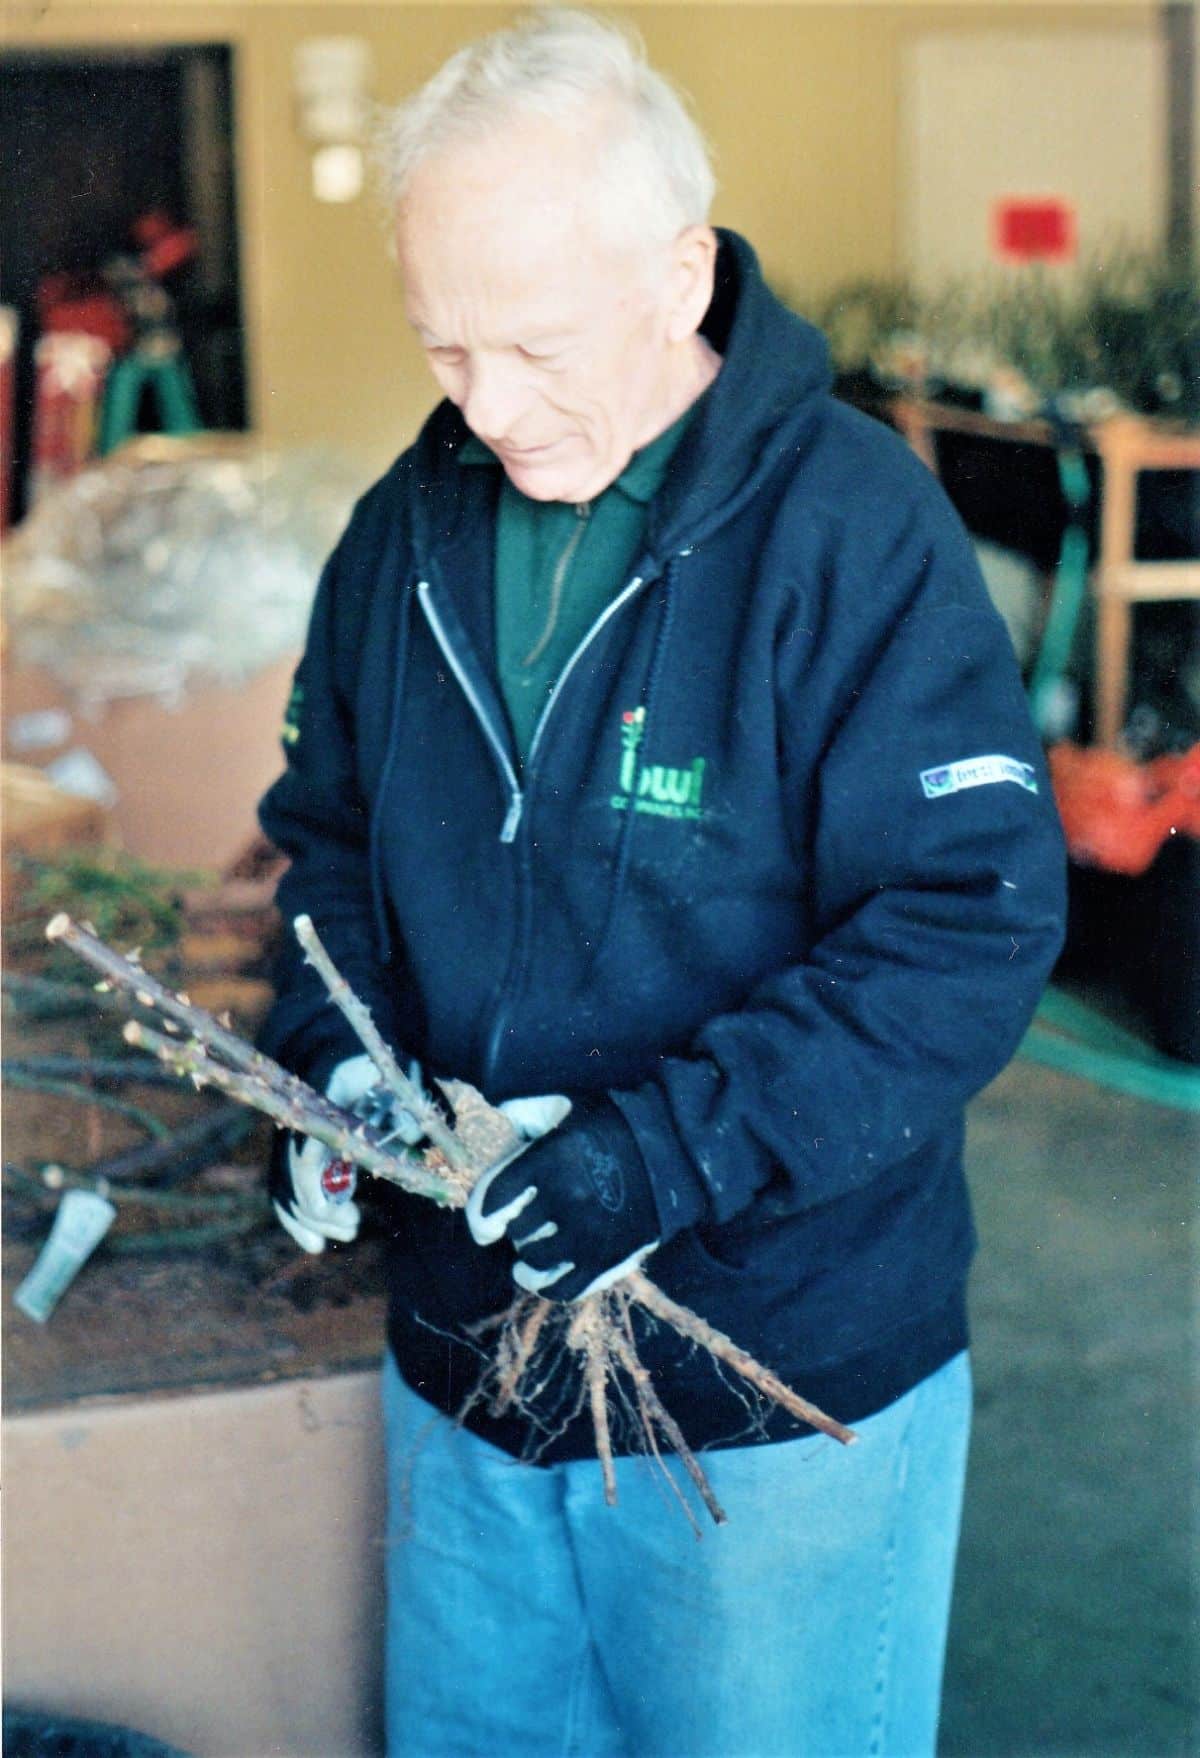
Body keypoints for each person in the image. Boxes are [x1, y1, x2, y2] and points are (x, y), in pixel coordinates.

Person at [258, 10, 1066, 1754]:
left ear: (681, 271)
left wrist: (663, 1152)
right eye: (444, 346)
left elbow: (966, 926)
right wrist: (329, 1074)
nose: (480, 402)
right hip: (468, 1377)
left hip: (765, 1410)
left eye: (533, 346)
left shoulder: (852, 534)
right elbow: (324, 836)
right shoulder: (407, 530)